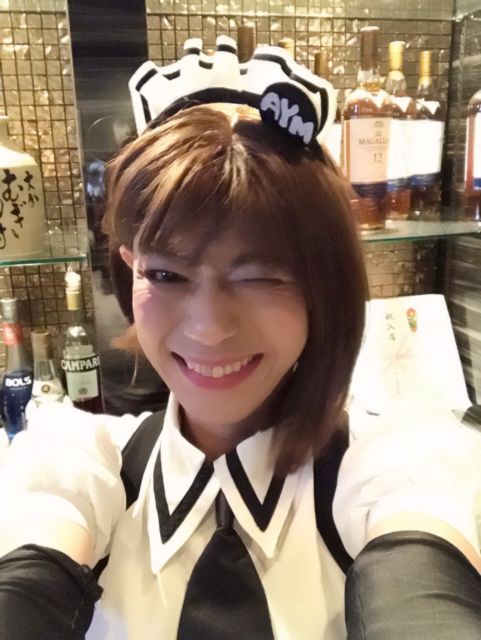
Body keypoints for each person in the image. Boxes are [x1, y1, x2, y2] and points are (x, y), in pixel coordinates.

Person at [0, 37, 480, 640]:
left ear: (323, 287)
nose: (209, 326)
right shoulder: (83, 464)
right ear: (129, 270)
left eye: (261, 276)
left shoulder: (392, 465)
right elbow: (32, 565)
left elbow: (423, 578)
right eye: (166, 275)